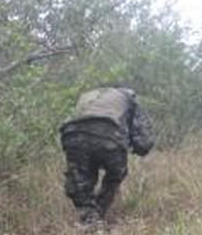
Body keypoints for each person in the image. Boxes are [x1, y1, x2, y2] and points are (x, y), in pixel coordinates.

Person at [59, 85, 155, 227]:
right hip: (109, 136)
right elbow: (143, 140)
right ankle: (98, 212)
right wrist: (136, 148)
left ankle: (89, 216)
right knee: (115, 175)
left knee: (79, 177)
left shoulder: (87, 95)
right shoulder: (128, 96)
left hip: (73, 134)